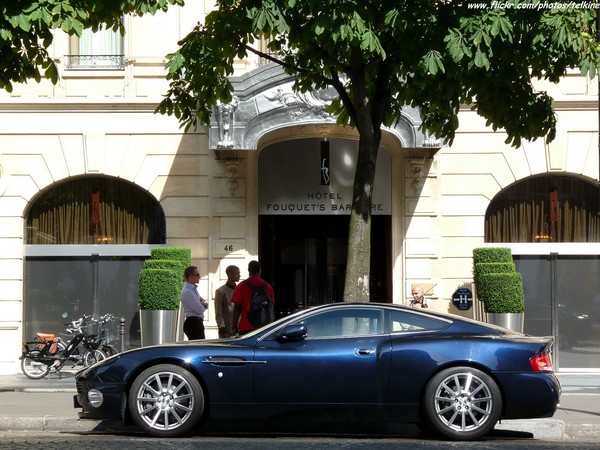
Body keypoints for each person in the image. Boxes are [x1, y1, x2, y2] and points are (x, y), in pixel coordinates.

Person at [231, 260, 274, 335]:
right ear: (260, 270)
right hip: (264, 327)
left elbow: (237, 308)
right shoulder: (268, 286)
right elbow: (272, 304)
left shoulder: (241, 286)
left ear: (248, 270)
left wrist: (234, 325)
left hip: (246, 327)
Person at [180, 265, 208, 340]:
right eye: (197, 275)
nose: (200, 277)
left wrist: (203, 303)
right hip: (193, 323)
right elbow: (199, 309)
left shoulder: (193, 290)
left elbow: (205, 304)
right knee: (199, 347)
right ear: (191, 276)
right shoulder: (187, 291)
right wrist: (203, 304)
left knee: (200, 347)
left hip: (197, 322)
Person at [214, 265, 240, 338]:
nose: (239, 276)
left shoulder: (240, 290)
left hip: (239, 328)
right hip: (226, 330)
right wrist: (221, 326)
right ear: (229, 274)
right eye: (237, 273)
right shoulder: (220, 291)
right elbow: (218, 311)